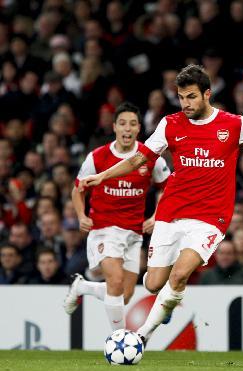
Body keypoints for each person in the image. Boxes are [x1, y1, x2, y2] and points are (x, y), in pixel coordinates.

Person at [78, 64, 243, 345]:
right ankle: (165, 304)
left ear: (207, 94)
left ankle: (140, 337)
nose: (185, 103)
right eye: (181, 97)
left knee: (179, 275)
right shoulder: (170, 124)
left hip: (210, 217)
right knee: (153, 284)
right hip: (171, 212)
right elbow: (138, 159)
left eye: (191, 96)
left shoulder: (234, 125)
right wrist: (103, 175)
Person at [63, 102, 170, 332]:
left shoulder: (150, 158)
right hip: (104, 228)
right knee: (115, 282)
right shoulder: (97, 157)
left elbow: (167, 188)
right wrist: (81, 215)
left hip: (133, 231)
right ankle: (119, 339)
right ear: (114, 127)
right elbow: (77, 189)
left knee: (126, 294)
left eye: (132, 124)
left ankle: (81, 287)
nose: (127, 129)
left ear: (139, 128)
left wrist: (156, 215)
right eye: (122, 123)